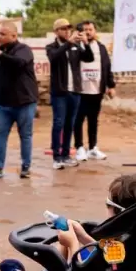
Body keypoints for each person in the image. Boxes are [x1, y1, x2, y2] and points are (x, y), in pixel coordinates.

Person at [0, 172, 136, 271]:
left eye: (108, 204)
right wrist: (82, 236)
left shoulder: (120, 237)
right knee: (63, 245)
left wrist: (73, 242)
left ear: (119, 213)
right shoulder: (132, 236)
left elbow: (78, 270)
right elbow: (106, 252)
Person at [0, 22, 39, 179]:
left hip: (24, 101)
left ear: (14, 35)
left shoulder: (23, 49)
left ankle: (26, 167)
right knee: (0, 135)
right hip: (4, 103)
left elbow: (18, 63)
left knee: (25, 135)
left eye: (3, 34)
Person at [46, 18, 93, 170]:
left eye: (68, 29)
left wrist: (85, 43)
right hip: (60, 92)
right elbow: (54, 57)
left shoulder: (75, 46)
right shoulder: (51, 47)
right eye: (63, 29)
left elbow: (89, 58)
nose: (67, 31)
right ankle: (56, 157)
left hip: (75, 91)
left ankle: (66, 155)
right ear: (56, 31)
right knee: (58, 123)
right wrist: (68, 43)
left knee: (69, 124)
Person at [73, 20, 115, 162]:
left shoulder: (101, 48)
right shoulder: (76, 47)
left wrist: (111, 86)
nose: (88, 32)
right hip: (80, 90)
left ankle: (92, 148)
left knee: (93, 120)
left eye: (90, 29)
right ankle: (79, 147)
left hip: (97, 90)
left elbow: (107, 67)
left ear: (95, 31)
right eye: (85, 30)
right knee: (78, 120)